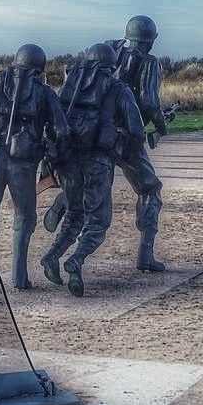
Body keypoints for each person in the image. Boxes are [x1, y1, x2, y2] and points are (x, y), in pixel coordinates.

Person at [0, 44, 68, 302]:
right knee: (25, 217)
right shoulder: (43, 93)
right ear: (39, 69)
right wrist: (52, 158)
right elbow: (62, 130)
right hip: (24, 162)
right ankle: (19, 276)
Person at [40, 43, 143, 297]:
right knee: (97, 222)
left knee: (74, 216)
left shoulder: (71, 86)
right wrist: (121, 143)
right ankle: (76, 260)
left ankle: (52, 255)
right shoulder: (118, 89)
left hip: (68, 161)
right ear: (112, 66)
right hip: (98, 161)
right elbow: (137, 130)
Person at [109, 15, 168, 272]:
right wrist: (162, 126)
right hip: (128, 138)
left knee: (91, 181)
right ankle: (145, 255)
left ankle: (63, 202)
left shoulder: (112, 52)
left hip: (99, 134)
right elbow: (150, 102)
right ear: (151, 40)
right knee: (150, 189)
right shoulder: (149, 62)